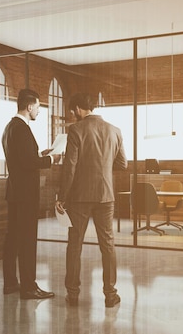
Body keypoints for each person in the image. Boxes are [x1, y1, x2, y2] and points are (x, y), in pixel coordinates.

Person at [55, 93, 127, 308]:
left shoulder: (76, 130)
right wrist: (102, 169)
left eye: (72, 111)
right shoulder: (116, 131)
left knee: (74, 244)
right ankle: (110, 294)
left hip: (79, 197)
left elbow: (70, 167)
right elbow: (122, 164)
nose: (72, 114)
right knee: (108, 244)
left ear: (78, 109)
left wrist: (62, 196)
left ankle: (73, 294)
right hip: (106, 195)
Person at [2, 88, 61, 299]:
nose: (38, 111)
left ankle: (10, 283)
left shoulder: (10, 127)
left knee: (13, 239)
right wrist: (51, 160)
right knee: (27, 241)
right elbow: (28, 163)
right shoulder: (22, 129)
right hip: (26, 195)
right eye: (37, 107)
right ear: (29, 106)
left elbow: (22, 158)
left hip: (14, 192)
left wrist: (39, 154)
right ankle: (29, 287)